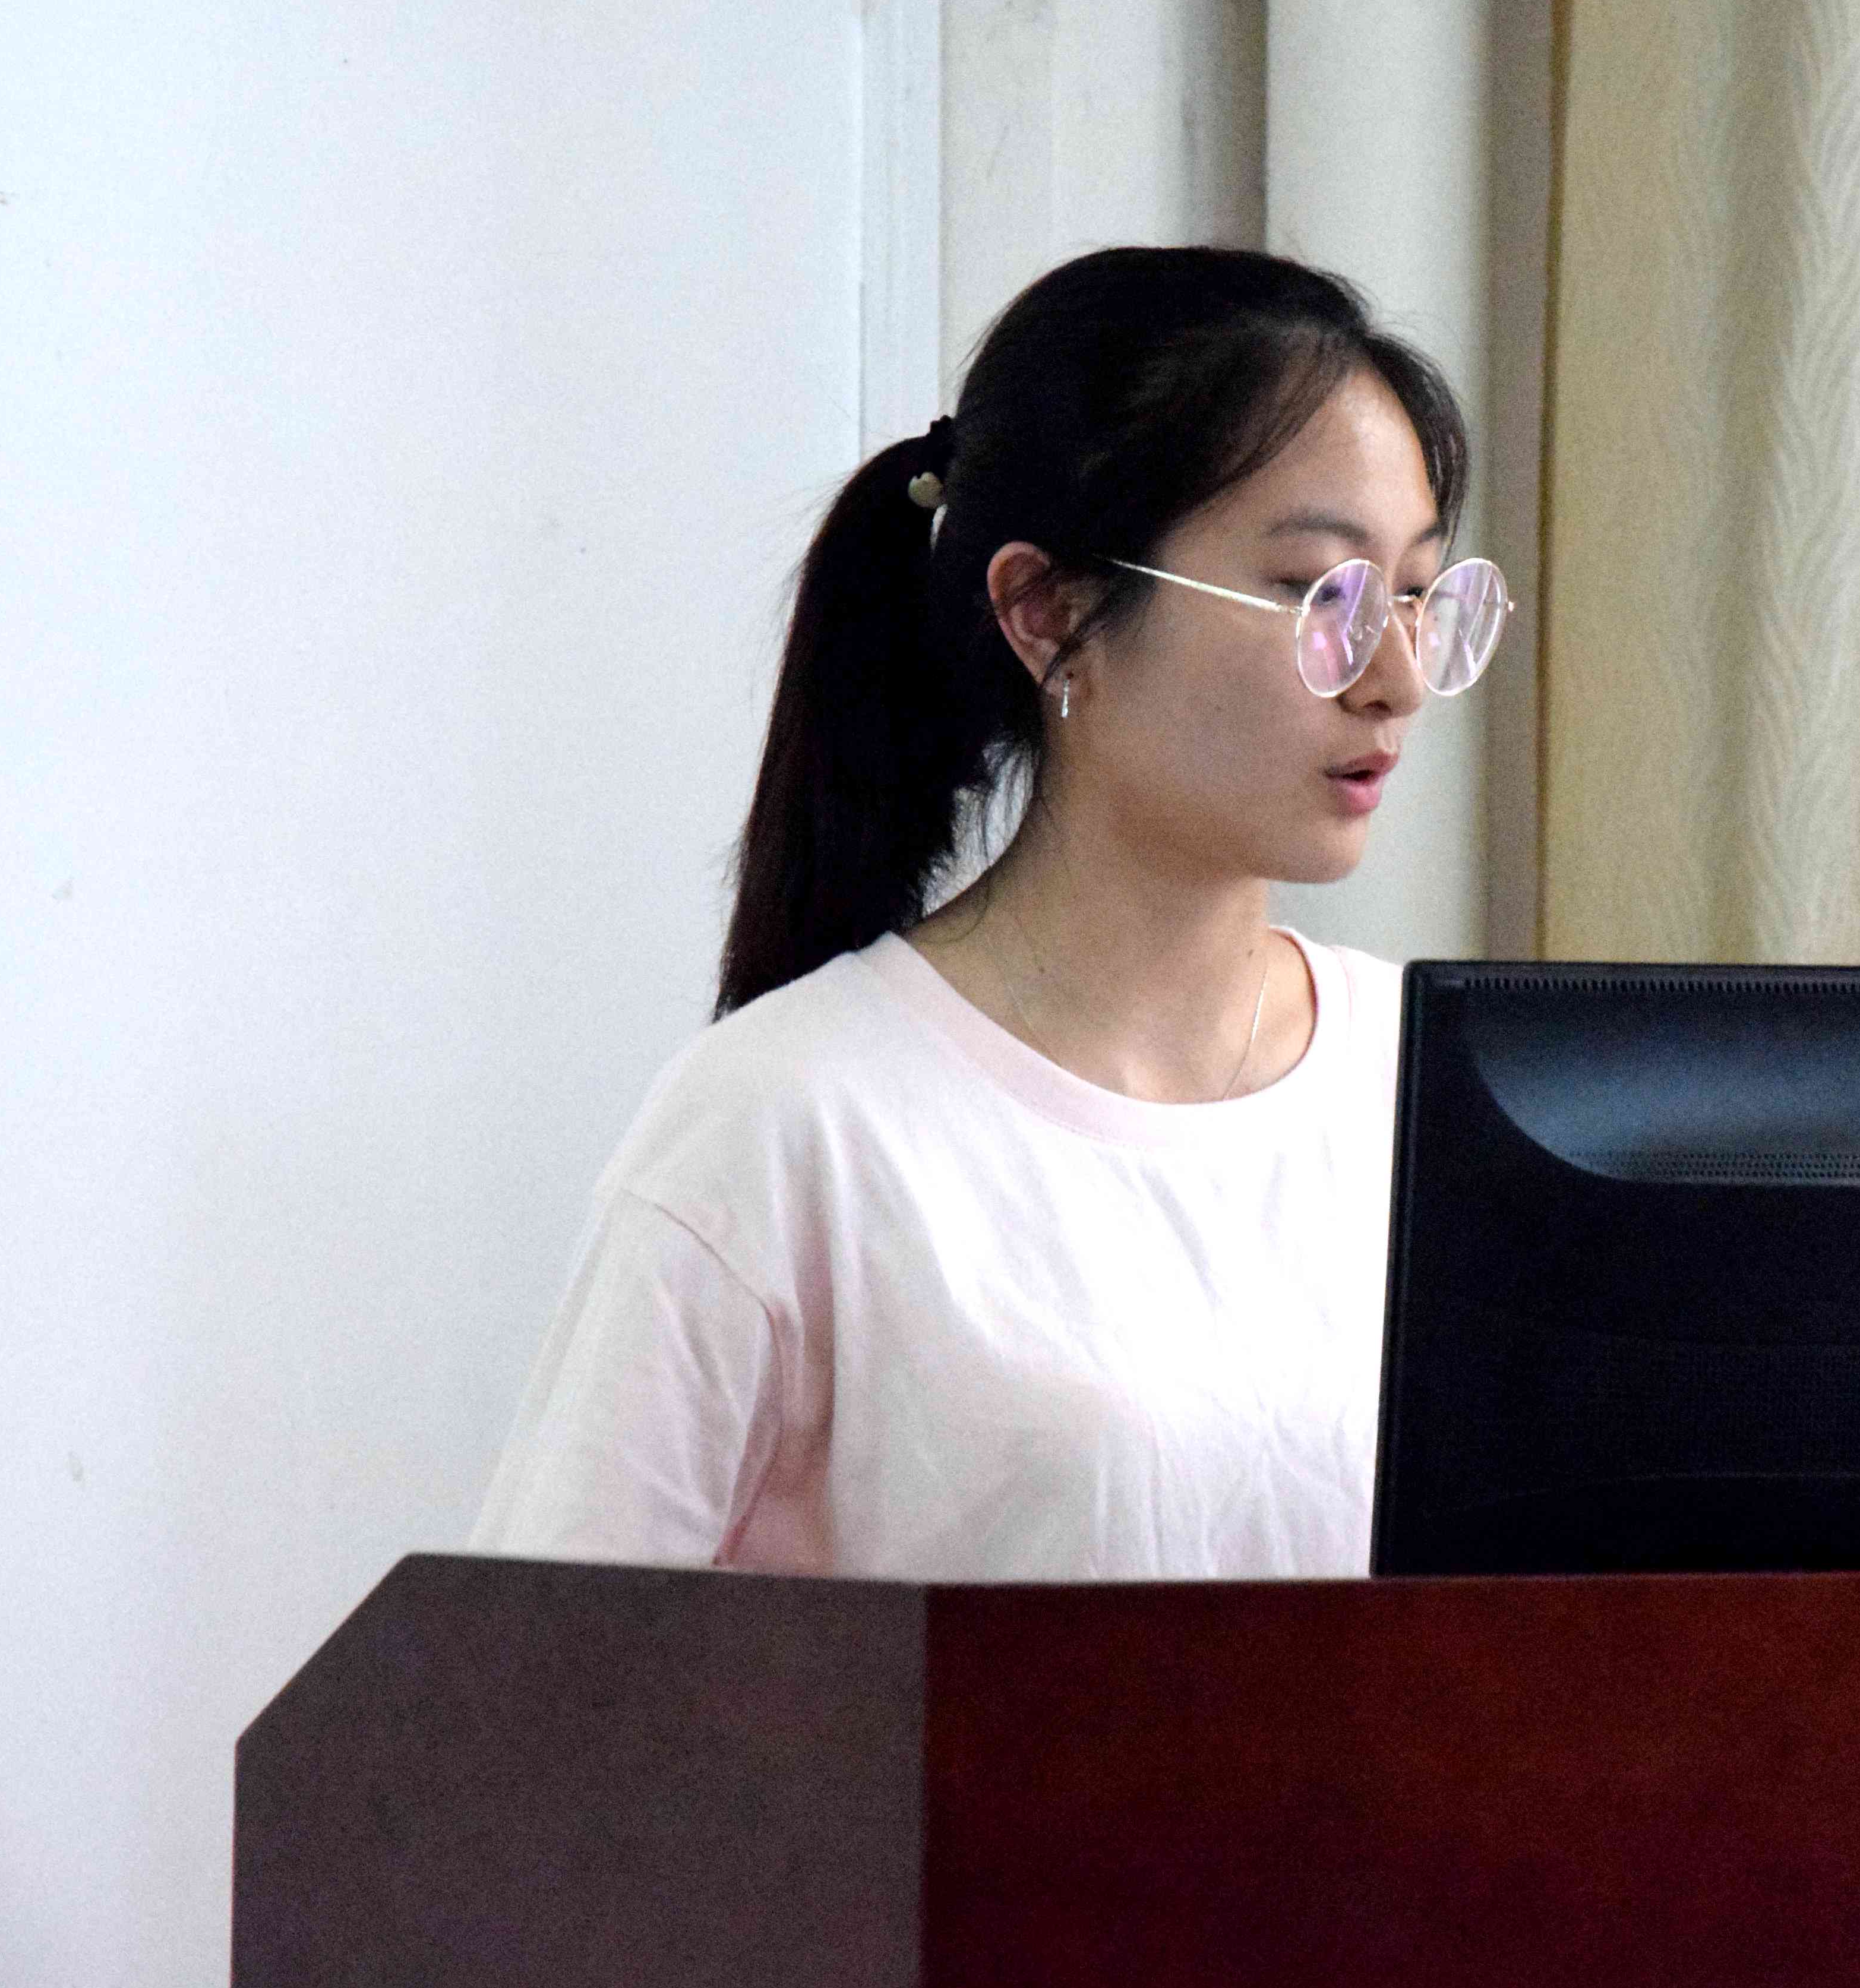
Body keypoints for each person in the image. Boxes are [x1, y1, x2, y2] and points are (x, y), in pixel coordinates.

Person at [469, 246, 1511, 1579]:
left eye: (1417, 594)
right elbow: (544, 1671)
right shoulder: (792, 1121)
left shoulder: (1440, 1087)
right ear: (1047, 611)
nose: (1397, 677)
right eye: (1323, 593)